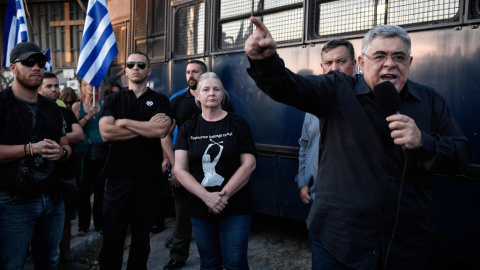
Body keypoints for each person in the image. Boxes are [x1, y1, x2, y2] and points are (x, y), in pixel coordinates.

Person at [244, 18, 472, 270]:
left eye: (399, 56)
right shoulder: (338, 89)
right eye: (380, 56)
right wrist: (265, 63)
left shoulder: (430, 101)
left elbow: (461, 155)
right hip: (339, 244)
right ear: (362, 63)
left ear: (410, 62)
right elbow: (291, 87)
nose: (389, 64)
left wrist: (423, 141)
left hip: (402, 246)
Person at [174, 72, 256, 270]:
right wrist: (206, 197)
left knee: (235, 262)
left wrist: (222, 196)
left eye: (217, 89)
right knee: (209, 262)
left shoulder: (237, 123)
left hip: (236, 206)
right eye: (206, 89)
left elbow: (249, 163)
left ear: (223, 94)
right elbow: (180, 168)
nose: (212, 93)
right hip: (199, 207)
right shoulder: (189, 127)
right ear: (197, 96)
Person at [0, 42, 71, 269]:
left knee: (49, 262)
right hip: (13, 201)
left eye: (40, 62)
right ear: (13, 67)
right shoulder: (2, 104)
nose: (37, 67)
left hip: (52, 198)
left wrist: (60, 152)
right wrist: (30, 148)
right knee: (12, 264)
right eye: (29, 62)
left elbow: (66, 145)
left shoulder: (52, 107)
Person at [98, 51, 172, 270]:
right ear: (126, 71)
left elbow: (161, 129)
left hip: (148, 178)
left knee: (142, 236)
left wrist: (123, 122)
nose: (136, 67)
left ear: (148, 71)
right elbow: (106, 133)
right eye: (131, 64)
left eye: (141, 64)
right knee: (112, 235)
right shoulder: (114, 98)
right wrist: (145, 127)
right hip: (118, 177)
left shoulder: (160, 100)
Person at [161, 60, 234, 270]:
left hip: (214, 168)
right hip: (186, 169)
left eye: (195, 72)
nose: (190, 75)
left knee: (220, 214)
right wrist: (174, 165)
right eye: (188, 72)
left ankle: (222, 258)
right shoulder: (176, 100)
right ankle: (178, 255)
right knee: (183, 214)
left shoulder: (219, 98)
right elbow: (164, 134)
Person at [295, 39, 356, 205]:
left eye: (341, 62)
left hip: (351, 202)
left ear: (354, 65)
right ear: (322, 67)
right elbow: (305, 145)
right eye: (328, 63)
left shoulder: (365, 101)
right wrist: (302, 182)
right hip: (317, 197)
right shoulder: (314, 104)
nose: (334, 68)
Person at [39, 72, 87, 269]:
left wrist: (58, 141)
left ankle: (66, 259)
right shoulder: (32, 111)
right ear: (39, 88)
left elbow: (79, 135)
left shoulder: (64, 112)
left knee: (65, 219)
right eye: (49, 86)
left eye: (56, 86)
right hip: (38, 178)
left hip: (65, 174)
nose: (54, 90)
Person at [72, 80, 108, 236]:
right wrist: (89, 116)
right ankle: (83, 226)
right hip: (83, 153)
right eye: (89, 85)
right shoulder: (76, 106)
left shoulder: (103, 104)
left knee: (100, 191)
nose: (93, 88)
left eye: (96, 85)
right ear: (83, 87)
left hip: (101, 152)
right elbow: (73, 128)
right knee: (84, 191)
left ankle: (99, 224)